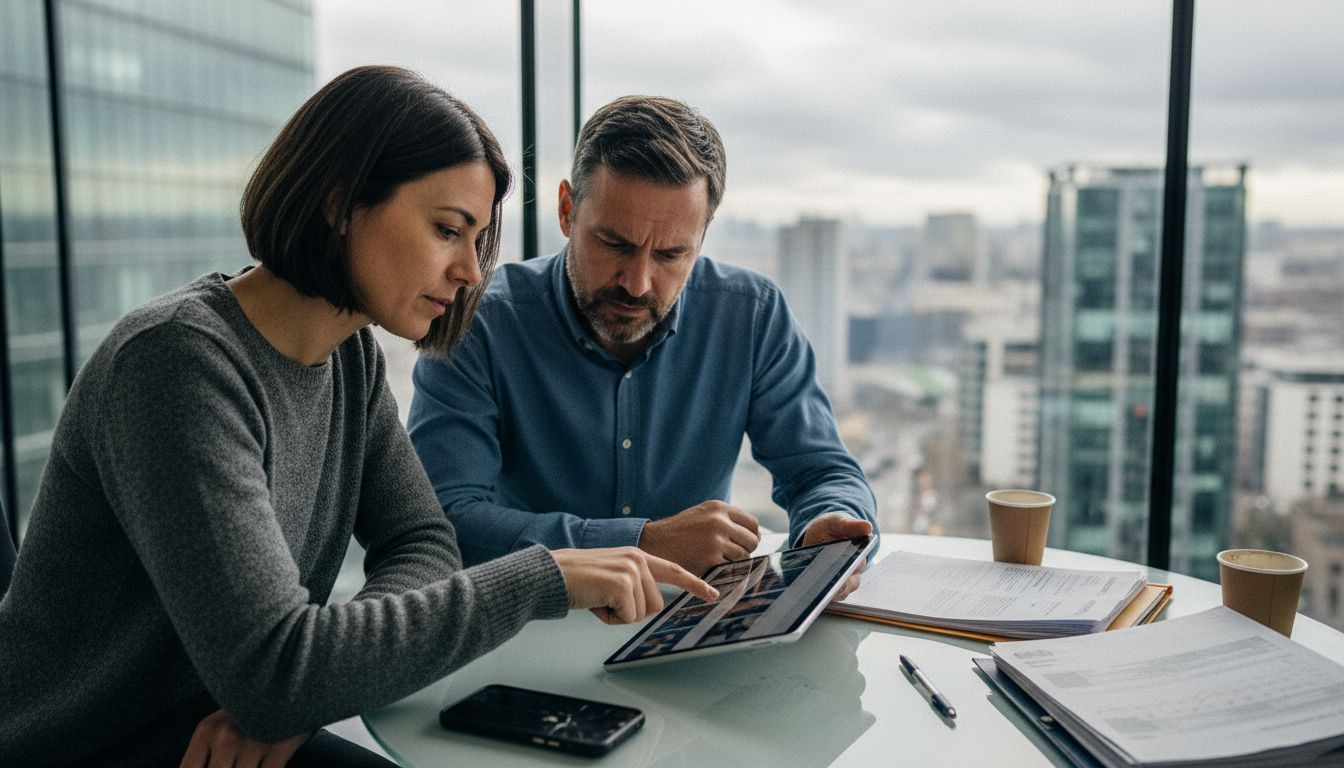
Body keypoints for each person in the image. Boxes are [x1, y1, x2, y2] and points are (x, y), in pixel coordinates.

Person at [0, 67, 715, 768]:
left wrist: (311, 684)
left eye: (477, 240)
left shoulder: (349, 359)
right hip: (94, 748)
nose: (471, 270)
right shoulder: (177, 364)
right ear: (341, 205)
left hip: (226, 729)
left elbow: (422, 539)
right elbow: (279, 673)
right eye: (447, 230)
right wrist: (542, 577)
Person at [408, 95, 878, 581]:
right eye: (615, 244)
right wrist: (640, 544)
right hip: (532, 617)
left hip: (692, 616)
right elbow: (445, 522)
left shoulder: (751, 315)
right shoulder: (479, 322)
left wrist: (828, 527)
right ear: (567, 211)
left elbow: (822, 471)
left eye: (671, 254)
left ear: (702, 238)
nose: (637, 283)